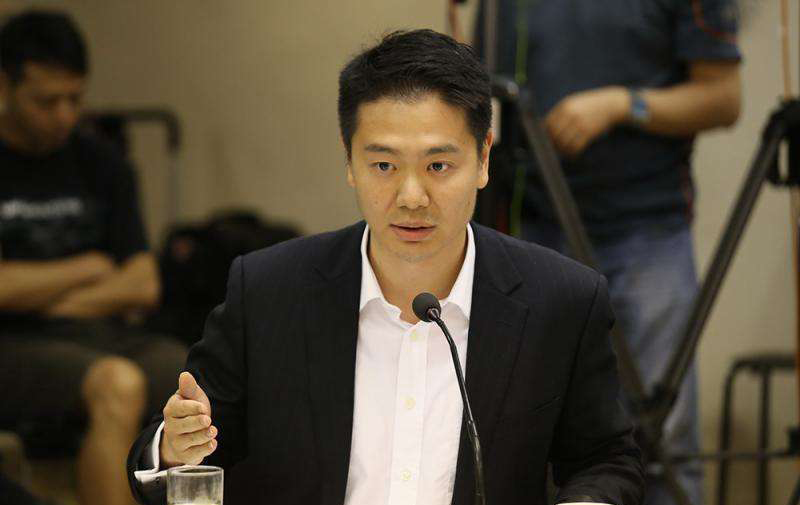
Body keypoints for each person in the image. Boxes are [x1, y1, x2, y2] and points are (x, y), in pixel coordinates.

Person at [127, 29, 644, 505]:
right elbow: (171, 457)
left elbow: (606, 460)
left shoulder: (560, 300)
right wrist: (174, 447)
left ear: (484, 158)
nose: (411, 196)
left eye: (438, 165)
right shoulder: (268, 291)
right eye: (383, 165)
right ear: (349, 161)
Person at [451, 1, 742, 504]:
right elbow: (478, 95)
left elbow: (723, 98)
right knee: (528, 441)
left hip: (645, 231)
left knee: (662, 442)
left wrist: (622, 104)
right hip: (532, 228)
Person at [0, 10, 186, 505]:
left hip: (100, 332)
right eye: (47, 101)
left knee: (204, 376)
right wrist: (89, 267)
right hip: (14, 343)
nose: (64, 115)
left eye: (74, 99)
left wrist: (37, 295)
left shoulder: (101, 160)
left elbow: (143, 284)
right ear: (5, 86)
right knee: (118, 382)